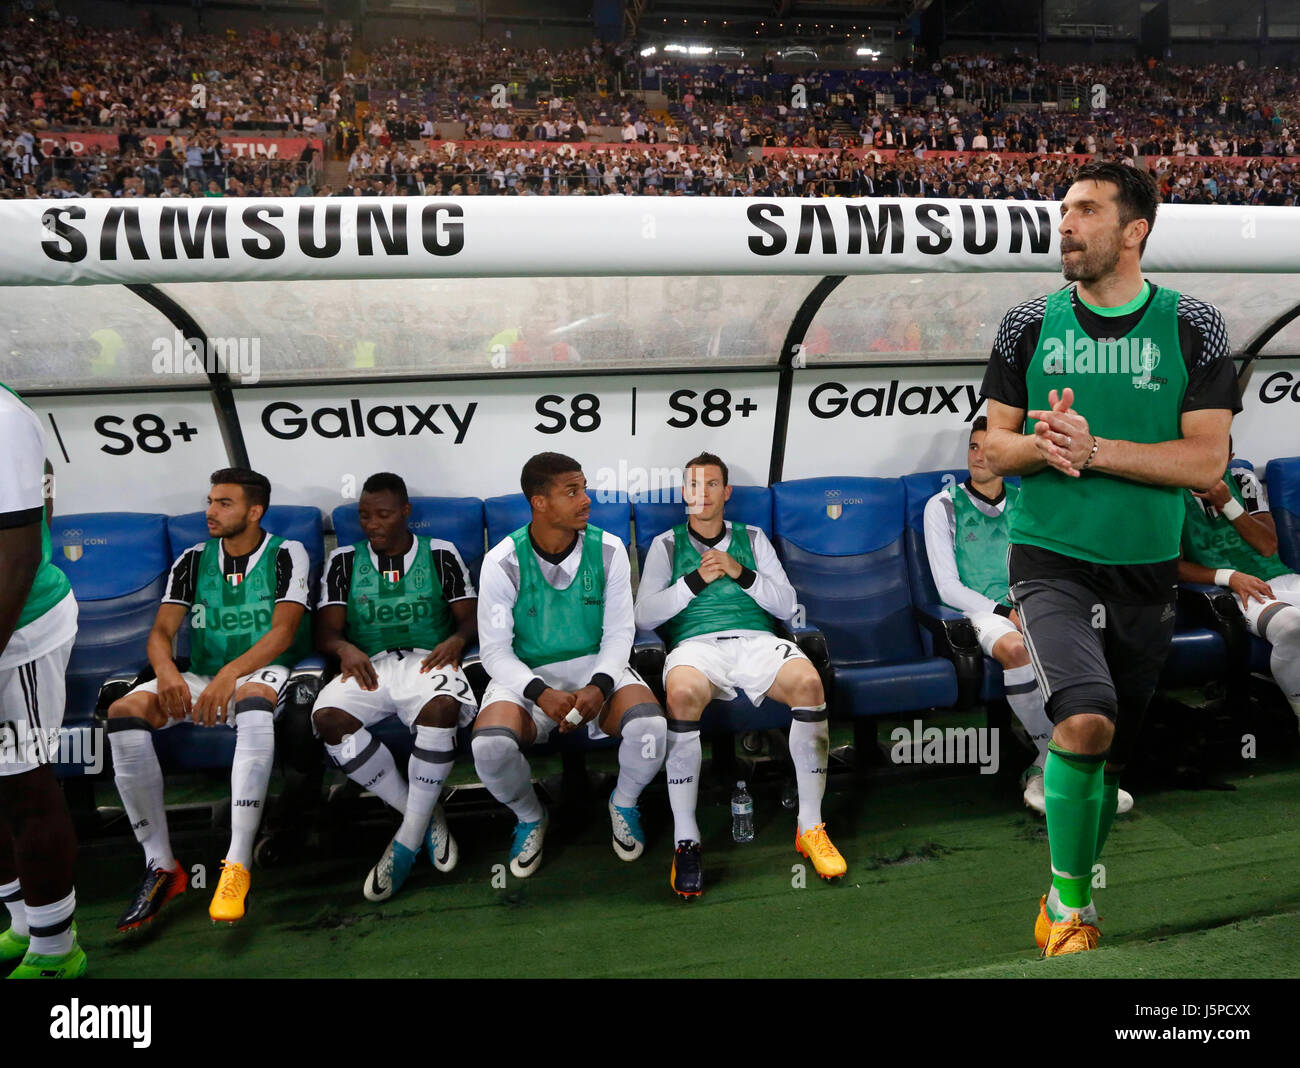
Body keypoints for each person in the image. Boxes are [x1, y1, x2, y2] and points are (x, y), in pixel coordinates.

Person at [980, 161, 1239, 957]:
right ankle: (1071, 912)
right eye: (1062, 209)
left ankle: (1070, 887)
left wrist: (1093, 450)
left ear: (1135, 232)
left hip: (1147, 567)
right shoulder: (1028, 321)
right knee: (1083, 720)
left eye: (1085, 210)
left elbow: (1204, 465)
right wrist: (1040, 445)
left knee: (1105, 748)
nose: (1065, 224)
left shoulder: (1194, 323)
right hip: (1050, 557)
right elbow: (987, 453)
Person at [107, 468, 312, 928]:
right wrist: (165, 672)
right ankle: (161, 865)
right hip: (203, 673)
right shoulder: (193, 558)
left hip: (258, 671)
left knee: (255, 704)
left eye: (224, 503)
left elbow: (283, 632)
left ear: (254, 511)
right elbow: (161, 631)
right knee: (123, 715)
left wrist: (230, 674)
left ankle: (236, 863)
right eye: (210, 501)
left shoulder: (287, 553)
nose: (210, 511)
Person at [635, 453, 844, 897]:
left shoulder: (752, 537)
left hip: (756, 641)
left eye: (712, 485)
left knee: (810, 685)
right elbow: (644, 616)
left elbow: (787, 606)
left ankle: (810, 826)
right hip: (696, 646)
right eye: (694, 485)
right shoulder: (665, 545)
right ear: (683, 493)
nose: (703, 493)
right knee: (683, 694)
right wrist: (695, 580)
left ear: (726, 493)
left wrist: (740, 572)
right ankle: (686, 838)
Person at [921, 416, 1131, 815]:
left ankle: (1046, 767)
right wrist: (1005, 611)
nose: (980, 456)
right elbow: (947, 588)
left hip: (1035, 601)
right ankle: (1057, 759)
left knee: (1092, 640)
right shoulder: (943, 505)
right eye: (973, 447)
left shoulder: (1027, 499)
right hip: (980, 612)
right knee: (1016, 648)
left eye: (987, 447)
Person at [473, 453, 666, 878]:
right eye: (572, 491)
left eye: (585, 489)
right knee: (488, 746)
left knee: (651, 728)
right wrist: (540, 692)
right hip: (527, 676)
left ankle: (624, 802)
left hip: (597, 668)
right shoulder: (502, 561)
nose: (586, 500)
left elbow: (619, 634)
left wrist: (598, 686)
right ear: (539, 502)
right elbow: (494, 652)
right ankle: (530, 816)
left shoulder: (610, 549)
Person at [312, 473, 478, 901]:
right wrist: (343, 648)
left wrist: (458, 640)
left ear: (405, 512)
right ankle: (421, 816)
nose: (372, 524)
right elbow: (326, 632)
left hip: (429, 660)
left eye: (383, 514)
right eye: (365, 515)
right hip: (368, 665)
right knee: (328, 717)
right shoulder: (344, 561)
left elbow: (471, 617)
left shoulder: (440, 553)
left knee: (441, 708)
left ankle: (403, 845)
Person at [0, 384, 85, 978]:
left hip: (19, 630)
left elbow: (19, 554)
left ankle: (57, 949)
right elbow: (45, 480)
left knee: (23, 784)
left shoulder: (2, 417)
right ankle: (22, 924)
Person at [1178, 440, 1300, 723]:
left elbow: (1268, 546)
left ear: (1230, 457)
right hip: (1227, 590)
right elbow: (1172, 566)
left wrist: (1228, 503)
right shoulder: (1171, 490)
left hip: (1280, 577)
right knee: (1291, 625)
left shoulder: (1242, 479)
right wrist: (1229, 576)